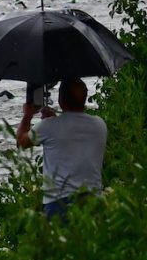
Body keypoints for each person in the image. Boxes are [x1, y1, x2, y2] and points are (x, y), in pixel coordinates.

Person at [16, 77, 108, 219]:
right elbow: (70, 132)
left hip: (59, 203)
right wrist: (54, 119)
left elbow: (21, 142)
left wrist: (27, 114)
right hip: (93, 200)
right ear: (84, 99)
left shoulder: (49, 126)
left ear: (61, 100)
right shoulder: (100, 125)